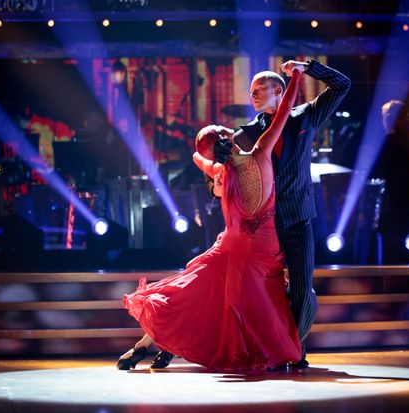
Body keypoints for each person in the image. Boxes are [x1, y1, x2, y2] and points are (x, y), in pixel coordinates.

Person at [116, 69, 304, 372]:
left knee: (189, 296)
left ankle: (144, 346)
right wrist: (295, 77)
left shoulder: (220, 173)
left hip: (232, 246)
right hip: (261, 249)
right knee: (223, 305)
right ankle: (160, 345)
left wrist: (212, 159)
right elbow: (284, 111)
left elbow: (195, 157)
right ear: (231, 138)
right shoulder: (262, 151)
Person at [220, 59, 352, 367]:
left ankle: (294, 345)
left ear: (279, 90)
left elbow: (343, 85)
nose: (252, 96)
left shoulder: (305, 116)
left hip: (299, 220)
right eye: (251, 91)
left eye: (257, 90)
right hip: (263, 226)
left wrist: (308, 68)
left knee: (303, 289)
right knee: (267, 291)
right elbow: (220, 174)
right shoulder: (246, 133)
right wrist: (222, 157)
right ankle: (277, 346)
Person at [370, 98, 409, 264]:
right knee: (406, 244)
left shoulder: (389, 141)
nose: (384, 118)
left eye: (386, 114)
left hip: (391, 201)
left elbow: (377, 171)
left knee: (390, 247)